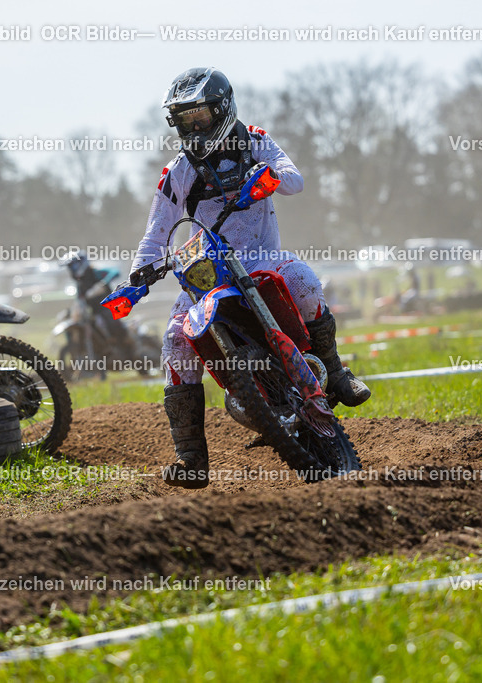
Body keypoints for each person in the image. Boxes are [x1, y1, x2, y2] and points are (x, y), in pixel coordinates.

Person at [129, 67, 370, 489]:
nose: (193, 126)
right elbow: (156, 230)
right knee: (174, 338)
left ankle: (335, 373)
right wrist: (137, 275)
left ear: (222, 108)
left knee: (305, 281)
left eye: (200, 115)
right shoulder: (178, 171)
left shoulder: (255, 141)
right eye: (184, 119)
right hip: (204, 270)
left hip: (262, 257)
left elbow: (294, 178)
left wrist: (268, 176)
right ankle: (191, 457)